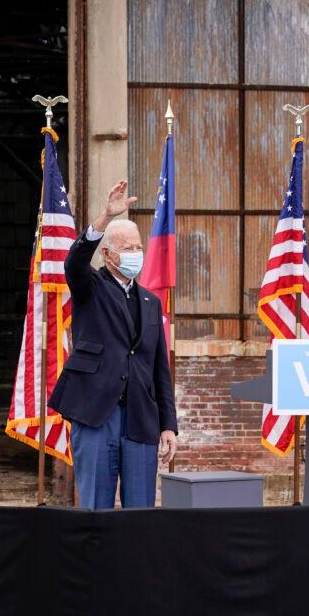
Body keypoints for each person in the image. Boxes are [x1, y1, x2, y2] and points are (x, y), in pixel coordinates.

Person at [48, 180, 178, 509]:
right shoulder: (90, 286)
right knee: (96, 509)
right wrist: (104, 218)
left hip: (139, 417)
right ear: (107, 254)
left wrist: (168, 425)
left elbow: (158, 368)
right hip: (96, 415)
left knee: (140, 511)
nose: (136, 254)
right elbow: (74, 263)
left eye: (138, 247)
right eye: (128, 248)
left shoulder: (150, 302)